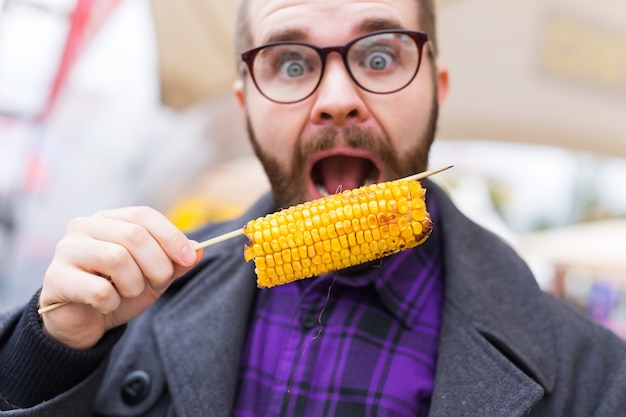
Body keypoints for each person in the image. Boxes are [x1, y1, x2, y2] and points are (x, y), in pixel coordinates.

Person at [1, 0, 625, 415]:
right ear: (245, 103)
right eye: (291, 63)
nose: (336, 98)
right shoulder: (138, 295)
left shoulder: (593, 377)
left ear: (437, 93)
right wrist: (49, 351)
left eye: (379, 56)